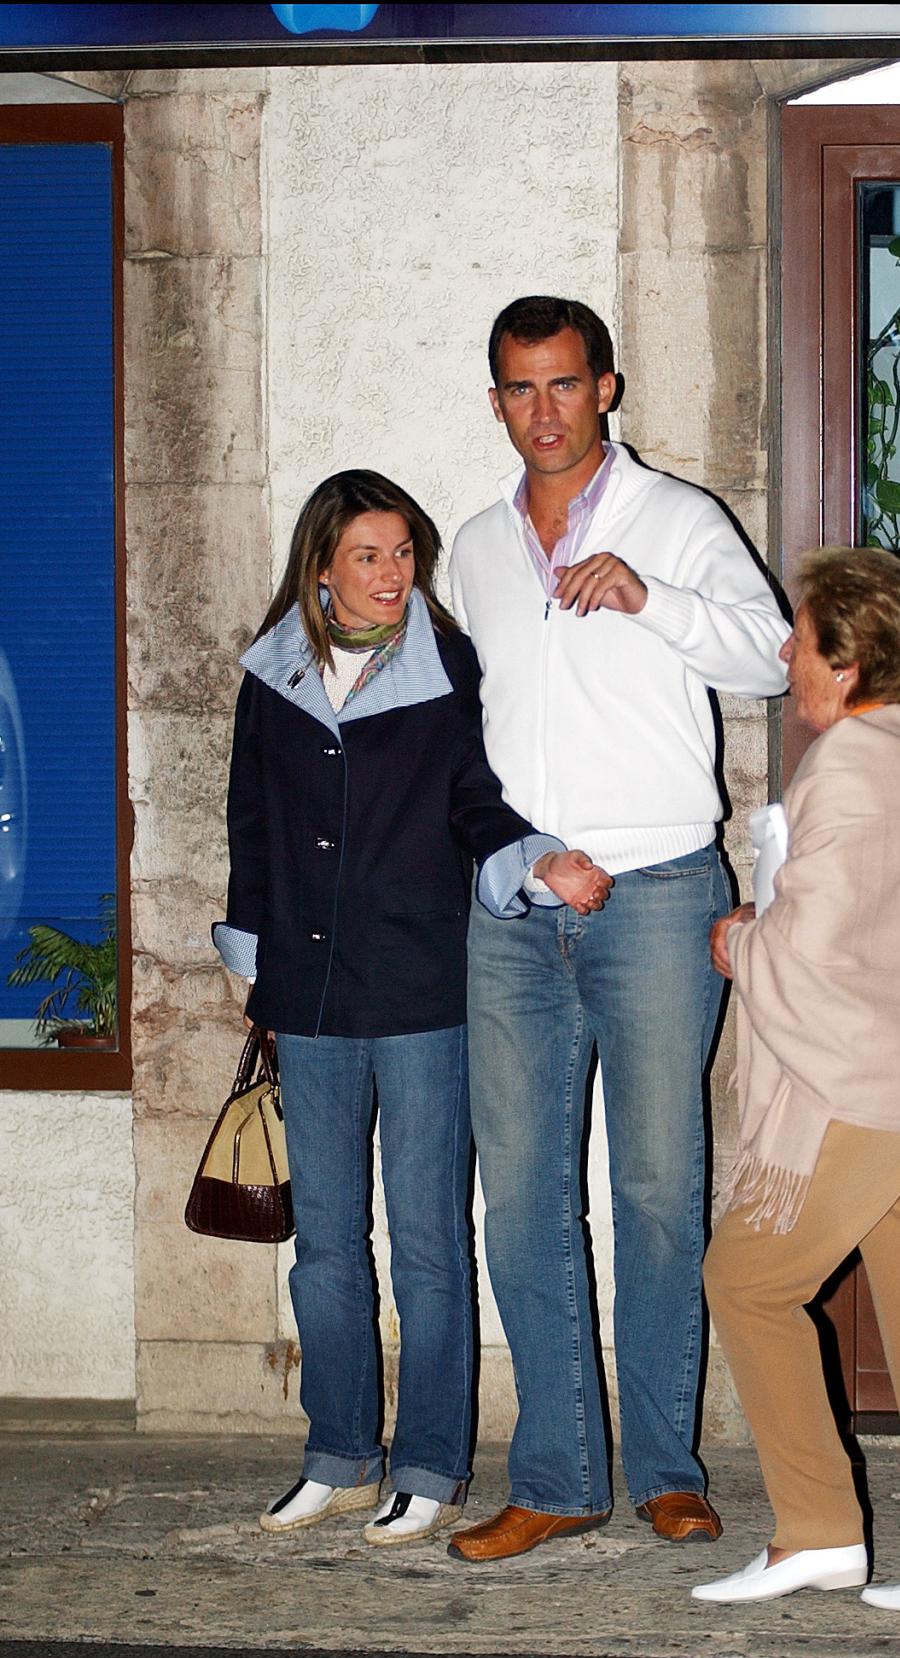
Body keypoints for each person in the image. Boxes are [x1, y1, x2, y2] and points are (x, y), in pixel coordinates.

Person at [445, 297, 790, 1563]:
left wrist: (654, 599)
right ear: (497, 402)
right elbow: (459, 738)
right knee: (524, 1200)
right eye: (520, 390)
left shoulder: (681, 521)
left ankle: (665, 1469)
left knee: (655, 1193)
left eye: (565, 386)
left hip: (655, 897)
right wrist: (507, 860)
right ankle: (558, 1473)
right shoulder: (477, 548)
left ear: (608, 389)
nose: (545, 411)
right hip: (519, 911)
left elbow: (769, 658)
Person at [213, 469, 611, 1548]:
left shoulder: (445, 668)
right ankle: (340, 1452)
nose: (395, 577)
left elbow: (477, 798)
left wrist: (536, 861)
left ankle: (432, 1459)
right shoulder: (274, 675)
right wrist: (253, 961)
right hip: (308, 989)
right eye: (370, 558)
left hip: (425, 986)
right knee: (327, 1243)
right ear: (323, 569)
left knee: (432, 1240)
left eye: (404, 554)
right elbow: (251, 821)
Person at [693, 547, 900, 1613]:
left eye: (801, 636)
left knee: (747, 1281)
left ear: (847, 662)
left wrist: (739, 942)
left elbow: (815, 952)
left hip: (858, 1089)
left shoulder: (848, 762)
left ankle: (816, 1530)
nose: (785, 650)